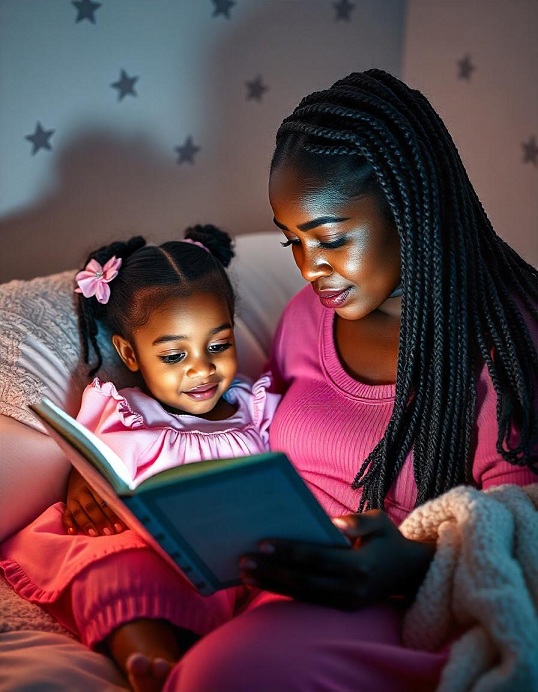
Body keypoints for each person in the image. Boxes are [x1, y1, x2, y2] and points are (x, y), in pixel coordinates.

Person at [157, 70, 537, 690]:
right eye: (292, 245)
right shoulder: (305, 319)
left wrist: (412, 566)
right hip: (279, 574)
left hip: (398, 601)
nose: (311, 269)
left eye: (330, 239)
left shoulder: (507, 343)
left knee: (224, 674)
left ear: (410, 208)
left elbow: (522, 529)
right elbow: (254, 427)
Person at [0, 224, 280, 692]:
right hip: (139, 545)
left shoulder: (258, 409)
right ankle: (147, 659)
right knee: (116, 567)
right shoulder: (124, 412)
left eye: (218, 345)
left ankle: (211, 653)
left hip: (224, 557)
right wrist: (81, 482)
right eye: (173, 355)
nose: (201, 368)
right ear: (130, 354)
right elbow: (88, 460)